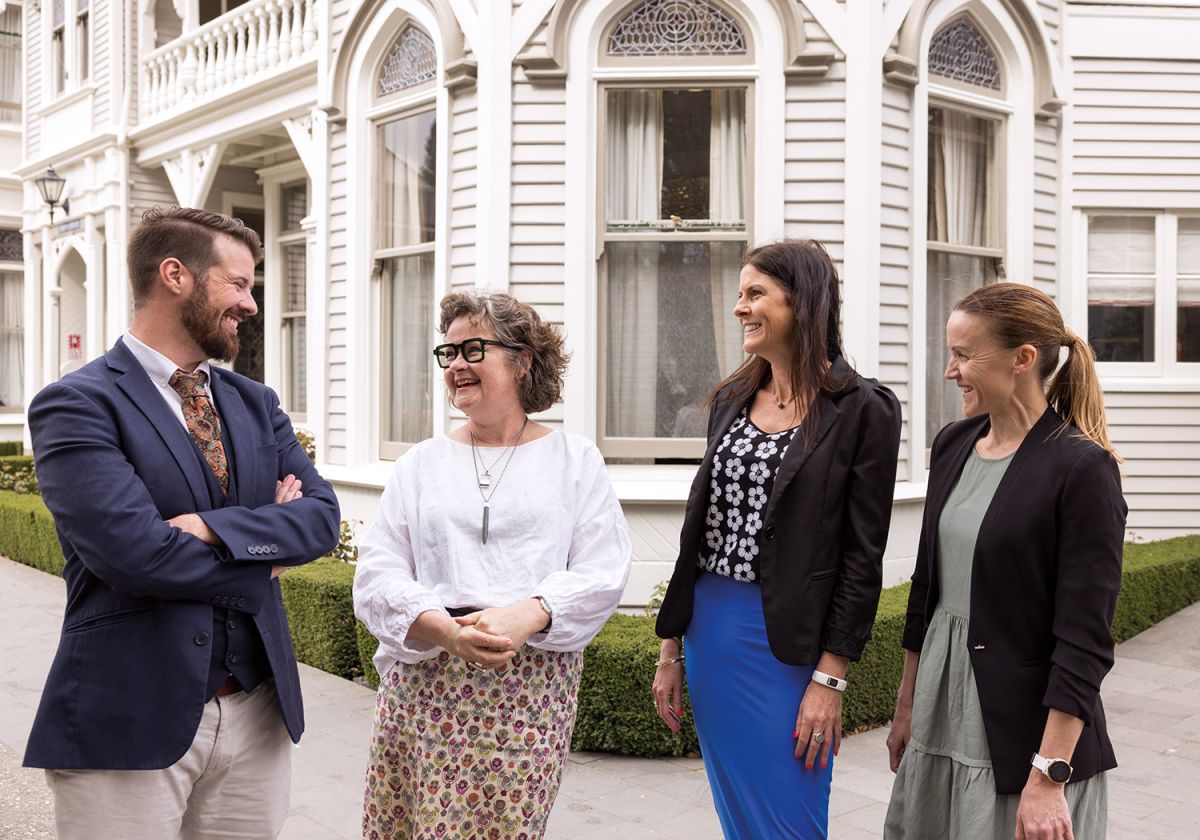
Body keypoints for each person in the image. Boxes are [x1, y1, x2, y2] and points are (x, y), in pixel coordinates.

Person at [23, 207, 341, 839]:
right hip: (129, 712)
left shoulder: (256, 403)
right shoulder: (77, 404)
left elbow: (322, 518)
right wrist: (263, 549)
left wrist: (206, 527)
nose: (251, 304)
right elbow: (134, 555)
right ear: (176, 276)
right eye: (239, 284)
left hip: (258, 714)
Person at [353, 290, 632, 839]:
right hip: (425, 686)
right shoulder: (419, 465)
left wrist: (529, 612)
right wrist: (444, 631)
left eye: (473, 349)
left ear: (522, 359)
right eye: (448, 352)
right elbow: (377, 573)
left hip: (527, 690)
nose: (455, 364)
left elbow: (604, 569)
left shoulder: (574, 461)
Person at [653, 239, 902, 839]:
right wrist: (670, 649)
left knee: (791, 815)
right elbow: (702, 528)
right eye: (740, 295)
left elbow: (862, 557)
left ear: (803, 302)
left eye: (755, 293)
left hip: (791, 644)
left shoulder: (864, 408)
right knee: (737, 809)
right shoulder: (731, 399)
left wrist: (830, 678)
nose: (740, 307)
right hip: (713, 628)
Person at [884, 283, 1125, 840]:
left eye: (964, 355)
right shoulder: (952, 443)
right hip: (941, 714)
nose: (951, 371)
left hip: (1024, 735)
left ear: (1023, 359)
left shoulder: (1082, 469)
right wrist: (906, 711)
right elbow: (927, 594)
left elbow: (1086, 639)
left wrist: (1048, 776)